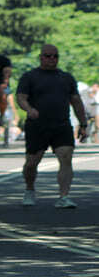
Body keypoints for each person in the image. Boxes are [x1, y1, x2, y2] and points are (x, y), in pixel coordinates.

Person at [16, 44, 88, 209]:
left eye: (55, 56)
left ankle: (64, 196)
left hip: (61, 124)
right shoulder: (30, 77)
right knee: (32, 163)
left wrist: (83, 124)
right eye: (48, 56)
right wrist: (29, 109)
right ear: (41, 57)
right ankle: (29, 189)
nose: (51, 59)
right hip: (37, 125)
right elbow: (21, 97)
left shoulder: (66, 78)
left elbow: (76, 102)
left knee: (65, 157)